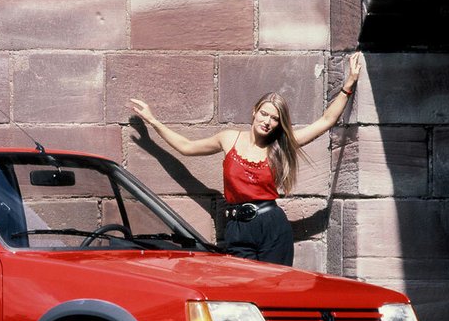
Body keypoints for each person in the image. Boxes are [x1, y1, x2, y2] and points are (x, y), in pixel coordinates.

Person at [129, 53, 362, 266]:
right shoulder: (228, 139)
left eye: (274, 118)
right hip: (237, 228)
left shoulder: (280, 146)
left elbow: (325, 121)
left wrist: (348, 85)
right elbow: (186, 147)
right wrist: (153, 121)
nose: (267, 121)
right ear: (254, 112)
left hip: (271, 225)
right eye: (264, 113)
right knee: (243, 289)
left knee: (275, 289)